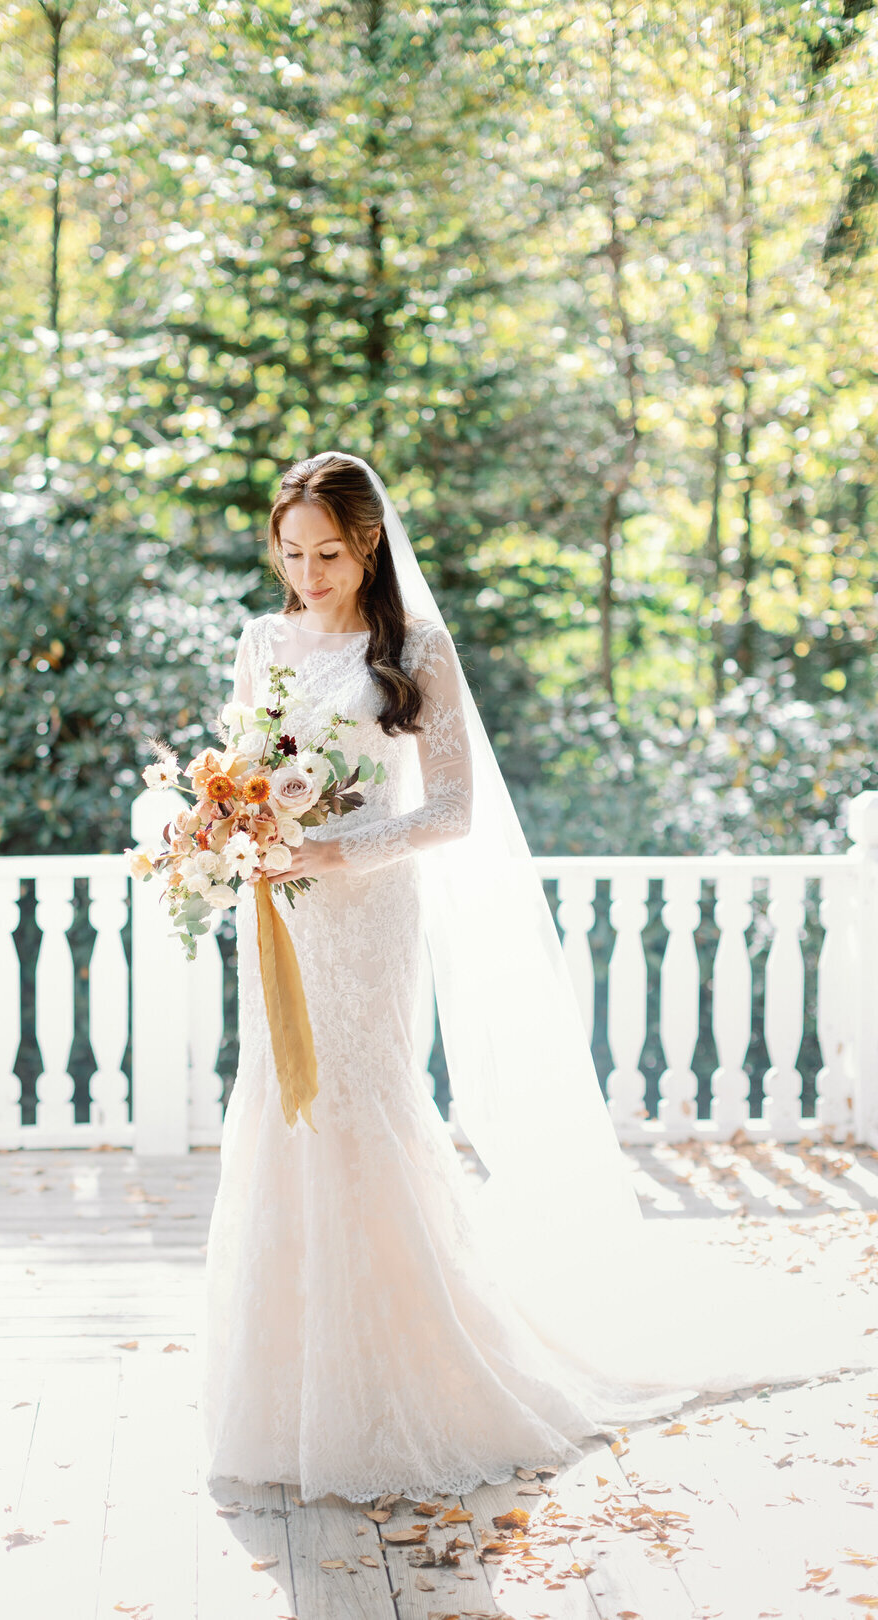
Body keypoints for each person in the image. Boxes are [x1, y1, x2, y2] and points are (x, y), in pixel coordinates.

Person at [200, 451, 875, 1506]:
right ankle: (284, 1391)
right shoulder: (261, 640)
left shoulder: (414, 647)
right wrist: (231, 824)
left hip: (367, 917)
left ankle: (396, 1382)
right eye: (289, 553)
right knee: (279, 1109)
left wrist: (336, 850)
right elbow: (240, 759)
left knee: (363, 1111)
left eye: (327, 552)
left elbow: (451, 812)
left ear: (368, 543)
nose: (307, 573)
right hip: (282, 915)